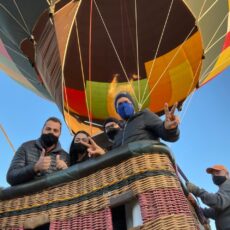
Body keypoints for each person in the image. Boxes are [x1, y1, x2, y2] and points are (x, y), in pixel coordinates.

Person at [7, 117, 69, 186]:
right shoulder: (26, 147)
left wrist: (67, 171)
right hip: (27, 195)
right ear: (42, 130)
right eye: (48, 129)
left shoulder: (65, 156)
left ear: (59, 134)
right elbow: (10, 177)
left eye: (55, 130)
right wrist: (35, 168)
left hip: (56, 196)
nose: (51, 132)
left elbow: (71, 185)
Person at [112, 91, 180, 148]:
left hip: (147, 160)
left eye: (126, 102)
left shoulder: (144, 115)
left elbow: (166, 134)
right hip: (128, 163)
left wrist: (170, 129)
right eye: (120, 104)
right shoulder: (119, 132)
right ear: (117, 111)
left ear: (132, 105)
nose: (123, 105)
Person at [186, 165, 230, 230]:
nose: (215, 176)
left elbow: (218, 201)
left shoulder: (228, 185)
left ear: (227, 174)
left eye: (217, 172)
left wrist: (196, 190)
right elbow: (216, 212)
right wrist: (199, 209)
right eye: (212, 175)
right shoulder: (223, 189)